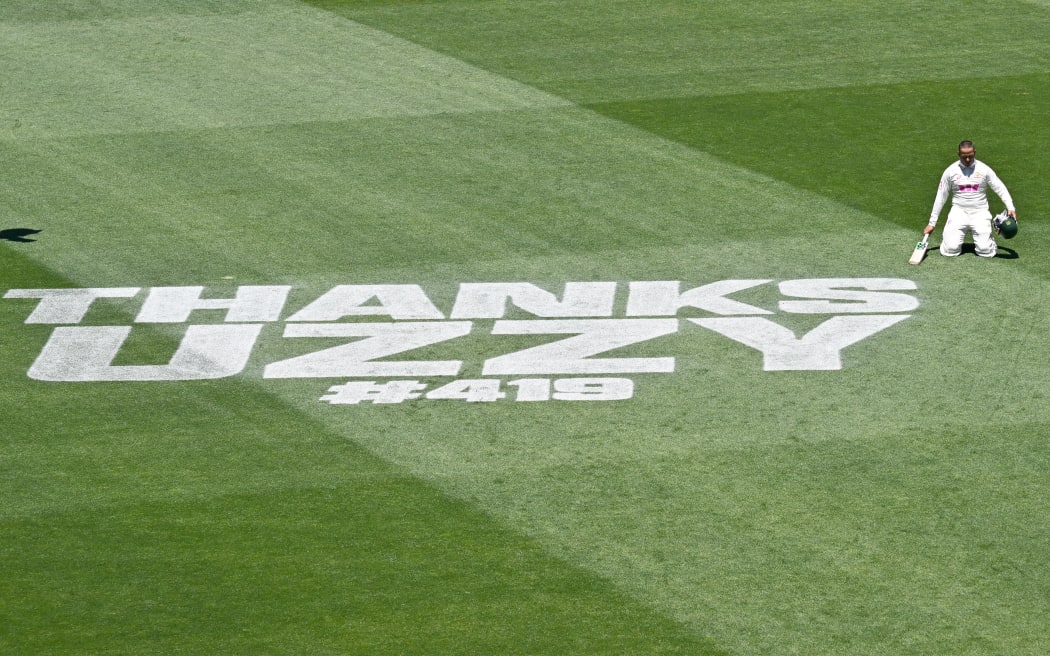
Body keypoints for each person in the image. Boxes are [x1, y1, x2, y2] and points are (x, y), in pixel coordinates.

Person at [925, 140, 1016, 257]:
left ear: (975, 152)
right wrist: (932, 223)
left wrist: (1010, 207)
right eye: (964, 157)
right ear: (958, 154)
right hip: (959, 211)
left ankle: (989, 241)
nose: (967, 160)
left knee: (986, 251)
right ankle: (948, 239)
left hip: (980, 211)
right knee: (950, 251)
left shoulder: (984, 170)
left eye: (970, 156)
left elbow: (1000, 188)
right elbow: (941, 196)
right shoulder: (950, 171)